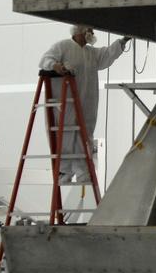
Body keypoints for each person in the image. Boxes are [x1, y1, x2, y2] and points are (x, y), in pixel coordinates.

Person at [38, 25, 130, 182]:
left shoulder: (90, 53)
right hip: (66, 103)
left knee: (85, 135)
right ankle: (63, 172)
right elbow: (45, 60)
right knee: (66, 135)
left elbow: (107, 55)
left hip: (87, 102)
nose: (93, 33)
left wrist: (123, 40)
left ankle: (83, 173)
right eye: (90, 30)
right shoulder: (63, 46)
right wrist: (56, 66)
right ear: (81, 32)